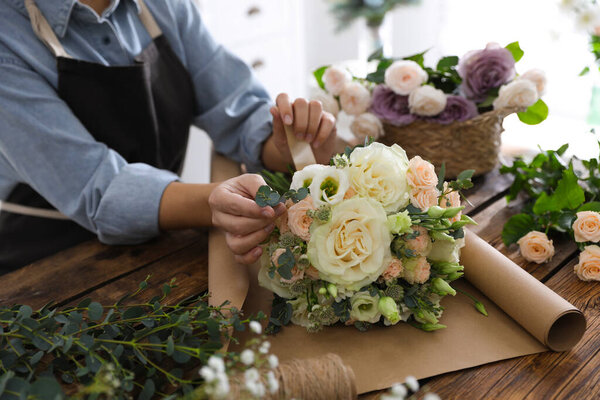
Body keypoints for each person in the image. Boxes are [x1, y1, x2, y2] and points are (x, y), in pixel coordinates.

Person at [0, 0, 337, 273]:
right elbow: (97, 188)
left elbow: (235, 109)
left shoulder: (165, 5)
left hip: (164, 240)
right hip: (47, 266)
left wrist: (290, 142)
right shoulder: (8, 36)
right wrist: (216, 201)